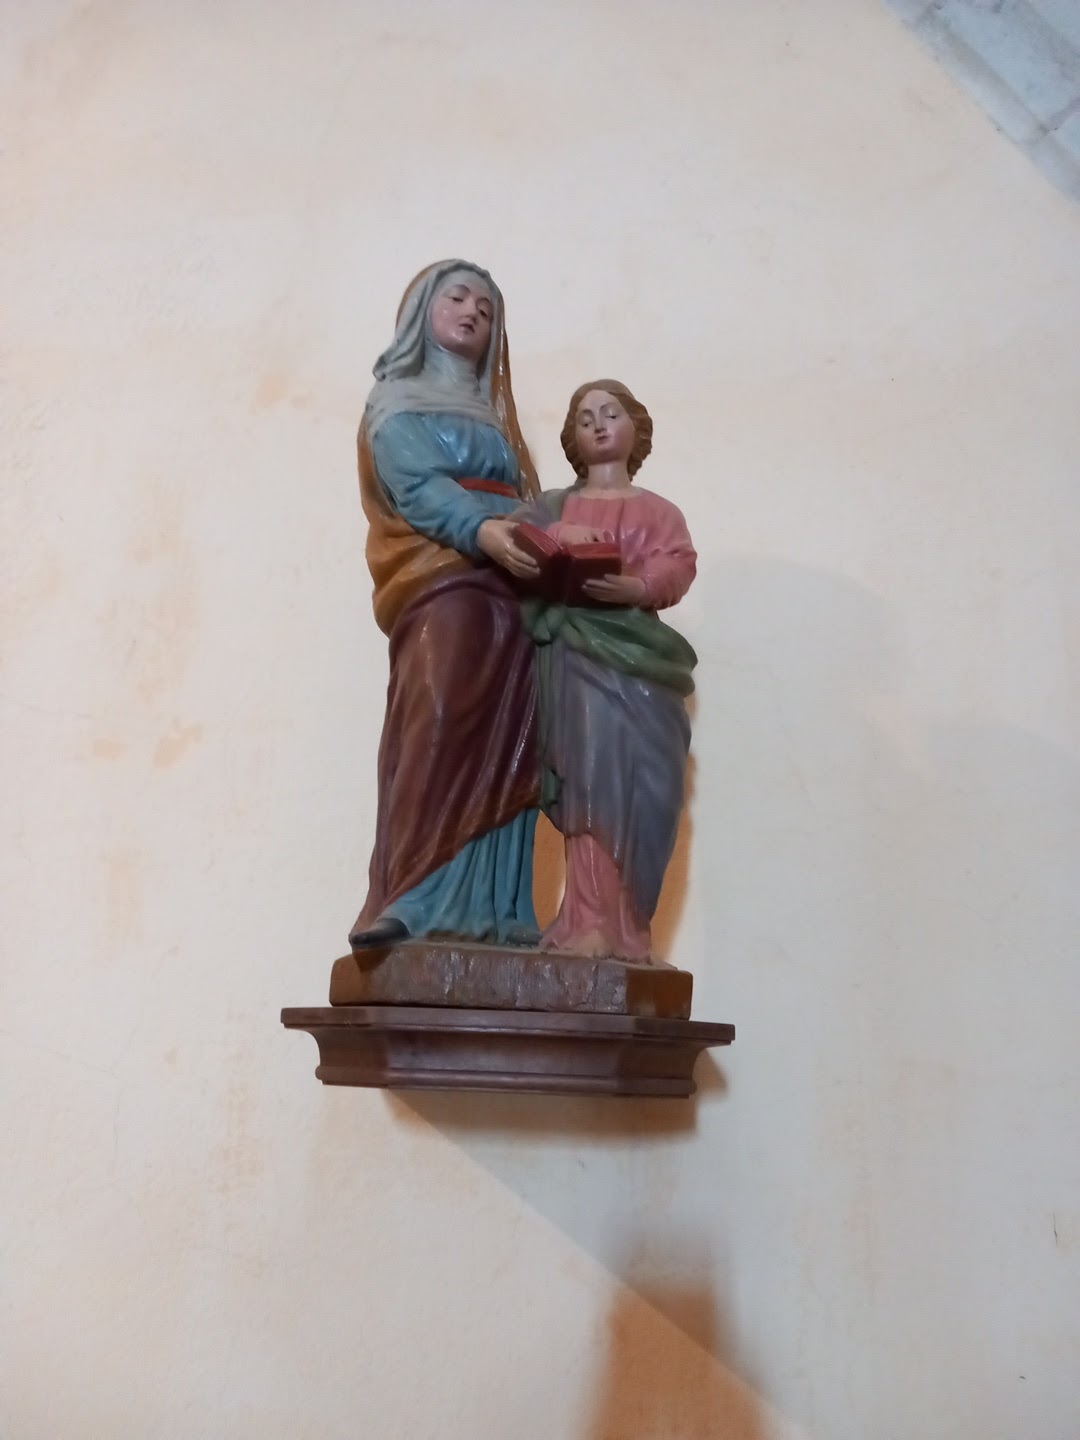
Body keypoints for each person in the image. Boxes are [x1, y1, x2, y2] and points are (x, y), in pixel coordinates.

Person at [348, 260, 542, 949]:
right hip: (444, 582)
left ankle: (495, 911)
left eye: (486, 309)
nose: (471, 313)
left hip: (512, 589)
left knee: (515, 738)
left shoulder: (496, 417)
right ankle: (409, 894)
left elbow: (523, 498)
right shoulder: (395, 402)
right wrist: (481, 530)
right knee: (435, 714)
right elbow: (417, 486)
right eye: (457, 298)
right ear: (421, 311)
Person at [517, 381, 698, 962]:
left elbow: (677, 565)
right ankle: (588, 921)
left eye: (611, 413)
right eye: (585, 417)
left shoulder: (660, 511)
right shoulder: (554, 505)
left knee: (648, 791)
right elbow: (516, 538)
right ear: (572, 437)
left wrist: (637, 587)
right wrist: (559, 534)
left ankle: (630, 927)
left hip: (643, 664)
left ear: (635, 427)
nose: (598, 424)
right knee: (594, 778)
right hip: (578, 655)